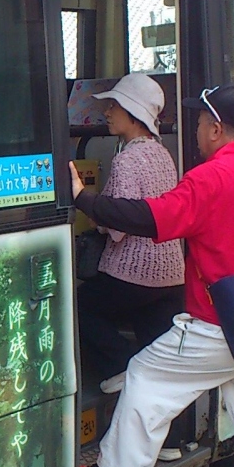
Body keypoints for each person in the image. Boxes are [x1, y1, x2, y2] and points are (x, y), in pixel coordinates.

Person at [69, 83, 234, 467]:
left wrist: (82, 198)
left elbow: (150, 219)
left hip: (221, 324)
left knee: (146, 375)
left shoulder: (212, 178)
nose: (195, 130)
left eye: (199, 122)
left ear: (217, 128)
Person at [76, 74, 185, 392]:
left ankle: (120, 367)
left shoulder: (126, 160)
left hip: (132, 273)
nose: (107, 113)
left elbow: (117, 227)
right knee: (159, 363)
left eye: (114, 106)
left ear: (134, 113)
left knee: (80, 307)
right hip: (170, 275)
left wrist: (94, 217)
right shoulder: (163, 155)